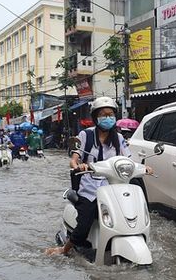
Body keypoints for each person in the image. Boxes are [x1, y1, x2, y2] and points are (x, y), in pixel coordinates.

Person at [45, 96, 152, 256]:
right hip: (90, 189)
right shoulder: (85, 136)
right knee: (85, 222)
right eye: (103, 114)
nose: (108, 118)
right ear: (95, 117)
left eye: (111, 115)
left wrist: (144, 168)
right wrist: (79, 165)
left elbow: (128, 160)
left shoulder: (120, 138)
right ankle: (65, 249)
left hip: (114, 187)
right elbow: (73, 160)